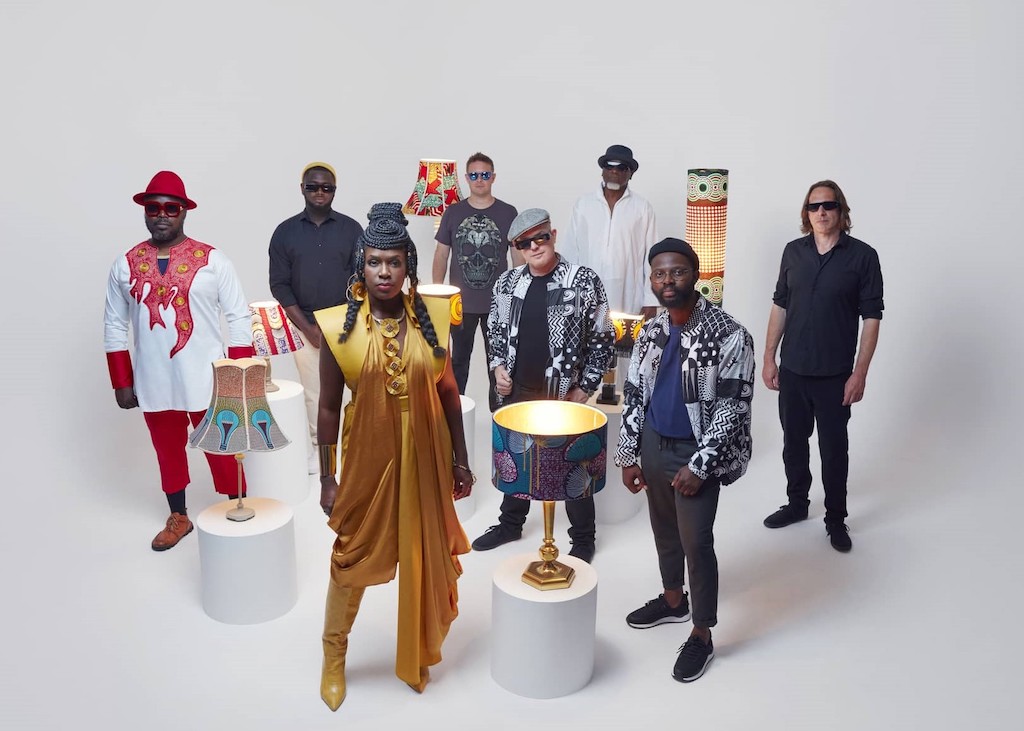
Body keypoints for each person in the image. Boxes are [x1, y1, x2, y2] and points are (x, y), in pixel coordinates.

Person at [313, 202, 473, 710]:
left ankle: (415, 652)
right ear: (361, 266)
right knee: (351, 556)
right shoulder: (338, 328)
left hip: (425, 457)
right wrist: (327, 477)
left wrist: (461, 461)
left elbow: (449, 395)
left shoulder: (435, 321)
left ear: (409, 266)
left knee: (422, 552)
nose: (384, 272)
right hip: (370, 459)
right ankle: (333, 654)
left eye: (395, 262)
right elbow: (327, 408)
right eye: (375, 262)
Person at [616, 237, 754, 683]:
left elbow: (733, 406)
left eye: (677, 272)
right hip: (654, 443)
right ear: (651, 279)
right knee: (664, 530)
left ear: (694, 275)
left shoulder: (729, 333)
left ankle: (702, 633)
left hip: (696, 452)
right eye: (660, 273)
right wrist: (628, 453)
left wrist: (700, 465)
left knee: (696, 541)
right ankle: (673, 600)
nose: (668, 280)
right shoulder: (651, 329)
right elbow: (635, 391)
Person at [104, 171, 253, 551]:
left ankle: (237, 510)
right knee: (167, 451)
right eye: (153, 208)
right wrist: (121, 380)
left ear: (184, 211)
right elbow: (115, 323)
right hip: (154, 378)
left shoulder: (213, 260)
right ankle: (179, 517)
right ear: (144, 211)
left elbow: (238, 316)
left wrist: (237, 371)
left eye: (171, 208)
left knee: (223, 446)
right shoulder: (125, 264)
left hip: (208, 377)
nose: (161, 215)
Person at [470, 208, 613, 563]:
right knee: (516, 457)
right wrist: (497, 367)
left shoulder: (583, 281)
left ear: (554, 235)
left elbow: (603, 338)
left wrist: (586, 387)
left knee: (574, 461)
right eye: (524, 243)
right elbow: (496, 332)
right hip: (518, 392)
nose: (534, 246)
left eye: (540, 237)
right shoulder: (507, 283)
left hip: (563, 393)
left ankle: (583, 538)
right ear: (517, 248)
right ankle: (510, 524)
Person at [761, 180, 884, 553]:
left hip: (835, 375)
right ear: (806, 213)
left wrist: (860, 373)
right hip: (793, 370)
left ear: (841, 211)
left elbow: (872, 317)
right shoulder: (793, 252)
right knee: (793, 444)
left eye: (829, 205)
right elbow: (780, 305)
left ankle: (835, 519)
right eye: (814, 206)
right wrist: (769, 356)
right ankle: (797, 504)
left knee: (833, 450)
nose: (821, 212)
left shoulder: (863, 257)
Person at [269, 162, 363, 471]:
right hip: (303, 323)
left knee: (355, 388)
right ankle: (321, 451)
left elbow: (361, 278)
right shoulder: (285, 232)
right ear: (302, 189)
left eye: (326, 187)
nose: (320, 192)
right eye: (313, 187)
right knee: (314, 392)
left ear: (334, 191)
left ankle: (355, 448)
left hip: (347, 322)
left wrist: (346, 322)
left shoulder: (352, 230)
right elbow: (279, 285)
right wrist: (308, 328)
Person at [432, 152, 522, 411]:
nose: (479, 179)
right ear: (466, 178)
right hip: (459, 304)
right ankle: (453, 412)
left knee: (499, 363)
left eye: (484, 174)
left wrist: (520, 295)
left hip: (499, 304)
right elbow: (441, 254)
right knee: (458, 361)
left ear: (493, 177)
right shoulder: (453, 212)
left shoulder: (508, 213)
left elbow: (517, 257)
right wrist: (438, 295)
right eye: (474, 175)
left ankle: (500, 414)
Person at [561, 144, 658, 317]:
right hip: (586, 295)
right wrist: (567, 293)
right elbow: (571, 250)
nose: (614, 171)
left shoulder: (642, 208)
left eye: (622, 167)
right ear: (602, 171)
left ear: (631, 174)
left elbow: (652, 257)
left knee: (624, 334)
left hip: (628, 297)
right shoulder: (583, 205)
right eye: (609, 166)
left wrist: (650, 300)